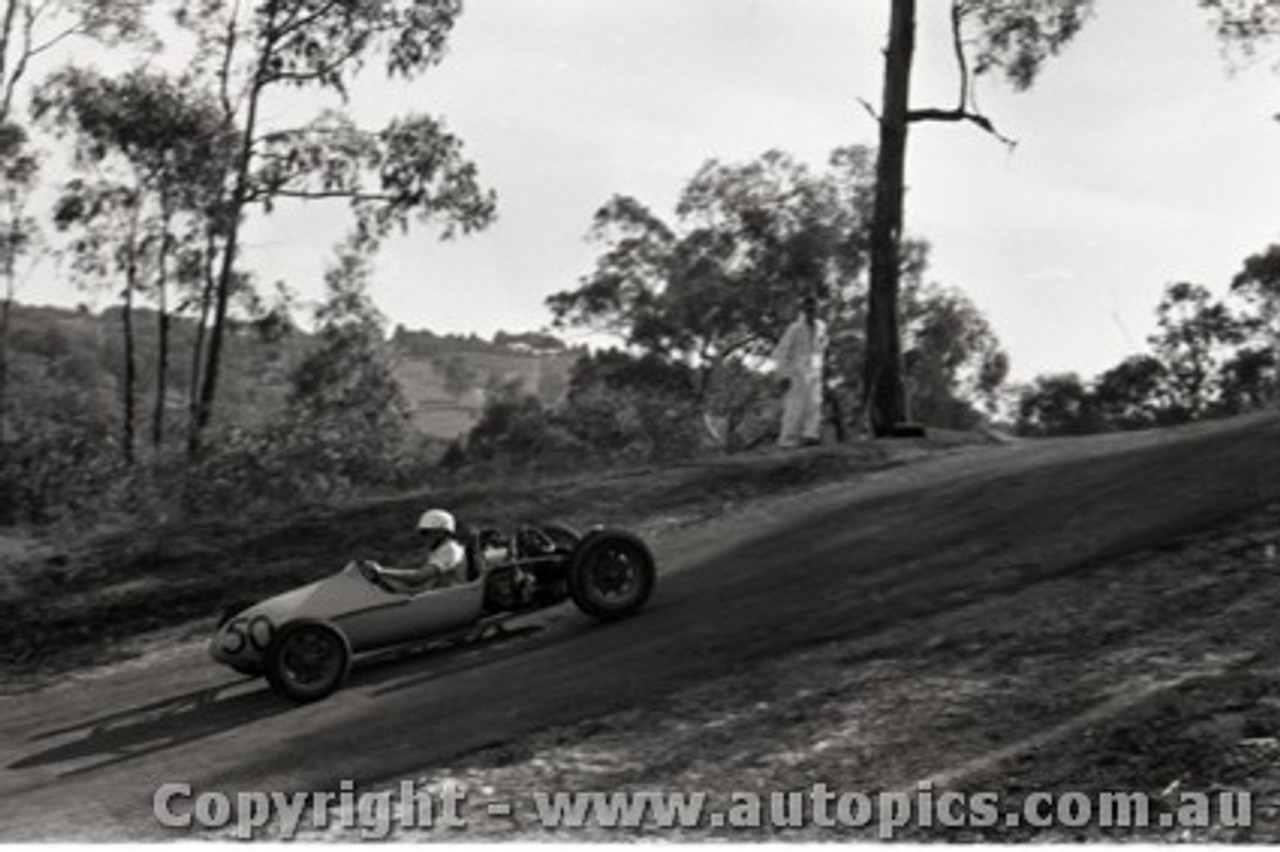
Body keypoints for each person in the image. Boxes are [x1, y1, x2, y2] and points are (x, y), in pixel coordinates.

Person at [771, 294, 828, 448]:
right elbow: (782, 352)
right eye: (809, 308)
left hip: (815, 370)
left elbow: (821, 348)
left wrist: (820, 367)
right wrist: (782, 375)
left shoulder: (821, 326)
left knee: (814, 404)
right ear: (804, 309)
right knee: (794, 406)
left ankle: (811, 435)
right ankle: (788, 440)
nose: (812, 311)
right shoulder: (795, 328)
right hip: (796, 372)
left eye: (815, 307)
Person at [374, 509, 469, 594]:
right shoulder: (442, 549)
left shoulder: (449, 550)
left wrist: (382, 571)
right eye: (422, 533)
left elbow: (418, 578)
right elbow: (425, 585)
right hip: (444, 597)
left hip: (451, 599)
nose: (423, 538)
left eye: (425, 532)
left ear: (441, 533)